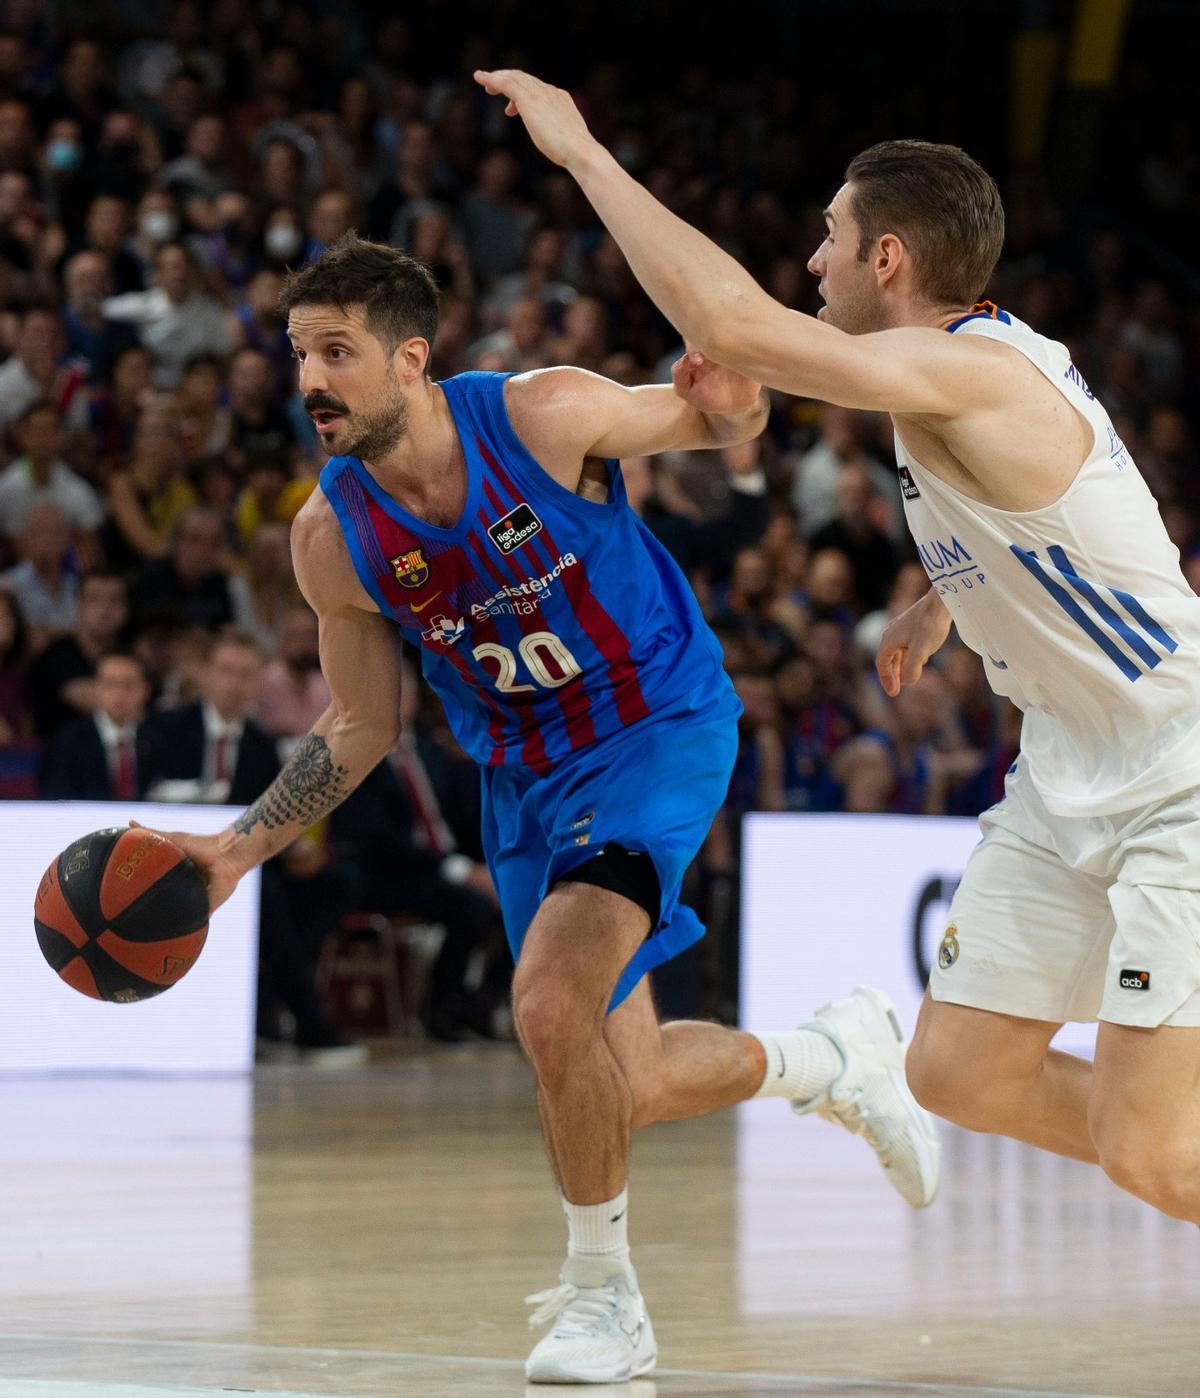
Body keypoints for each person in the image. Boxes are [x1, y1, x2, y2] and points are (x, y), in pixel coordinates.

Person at [140, 233, 939, 1384]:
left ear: (411, 359)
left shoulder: (542, 414)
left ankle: (605, 1298)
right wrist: (233, 851)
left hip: (654, 728)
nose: (310, 379)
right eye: (301, 354)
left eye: (336, 352)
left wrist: (735, 402)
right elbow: (360, 724)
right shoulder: (332, 540)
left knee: (551, 1003)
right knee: (626, 1077)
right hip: (523, 780)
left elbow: (720, 424)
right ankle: (831, 1057)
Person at [478, 69, 1200, 1243]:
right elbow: (1061, 528)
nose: (814, 260)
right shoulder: (968, 376)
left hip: (1178, 772)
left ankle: (1156, 1135)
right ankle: (1147, 1130)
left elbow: (733, 330)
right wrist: (944, 600)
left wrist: (586, 157)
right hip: (1071, 765)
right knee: (957, 1073)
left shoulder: (976, 375)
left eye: (830, 237)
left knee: (1154, 1154)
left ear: (888, 259)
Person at [40, 649, 150, 800]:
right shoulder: (67, 740)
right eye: (110, 684)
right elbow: (55, 796)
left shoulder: (160, 737)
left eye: (129, 685)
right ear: (96, 688)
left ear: (145, 690)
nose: (120, 693)